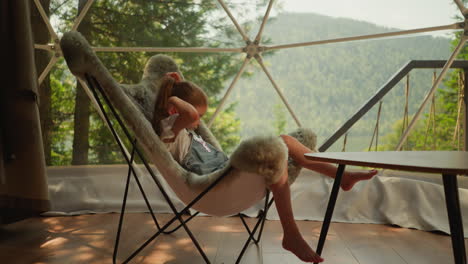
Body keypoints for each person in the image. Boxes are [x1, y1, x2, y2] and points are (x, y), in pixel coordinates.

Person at [152, 72, 377, 263]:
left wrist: (177, 85)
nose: (198, 122)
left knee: (285, 141)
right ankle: (291, 234)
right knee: (276, 148)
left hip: (226, 173)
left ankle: (342, 176)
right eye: (199, 116)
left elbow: (189, 114)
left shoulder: (183, 129)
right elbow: (188, 114)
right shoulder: (168, 131)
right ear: (174, 111)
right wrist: (173, 96)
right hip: (214, 184)